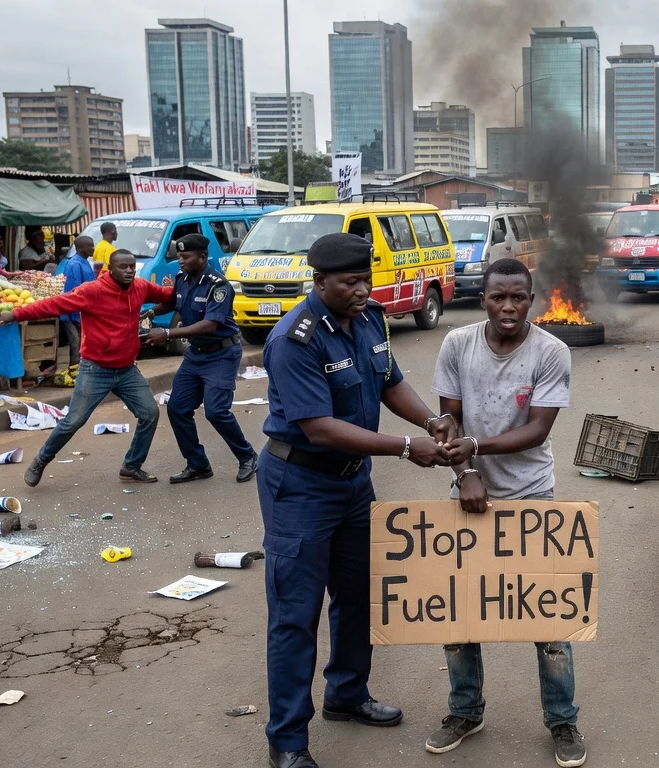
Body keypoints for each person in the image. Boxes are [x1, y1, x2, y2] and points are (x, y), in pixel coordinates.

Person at [256, 233, 456, 768]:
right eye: (349, 283)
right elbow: (319, 429)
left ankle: (346, 693)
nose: (363, 290)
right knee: (296, 614)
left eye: (366, 279)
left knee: (358, 594)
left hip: (353, 482)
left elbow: (390, 382)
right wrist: (405, 447)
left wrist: (429, 420)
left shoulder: (369, 319)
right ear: (319, 282)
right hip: (300, 483)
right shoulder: (294, 339)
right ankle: (288, 742)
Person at [425, 257, 584, 768]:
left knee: (548, 618)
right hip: (467, 495)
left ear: (532, 300)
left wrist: (475, 447)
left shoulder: (551, 351)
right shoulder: (457, 345)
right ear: (483, 297)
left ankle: (563, 720)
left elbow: (538, 430)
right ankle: (464, 711)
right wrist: (464, 473)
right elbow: (447, 422)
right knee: (458, 613)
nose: (508, 306)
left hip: (532, 495)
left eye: (518, 297)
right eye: (499, 297)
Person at [0, 251, 172, 486]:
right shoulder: (93, 291)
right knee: (74, 420)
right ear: (111, 268)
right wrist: (15, 314)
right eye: (123, 267)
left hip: (126, 369)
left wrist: (182, 287)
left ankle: (131, 467)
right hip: (95, 369)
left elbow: (168, 295)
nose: (129, 271)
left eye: (132, 266)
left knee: (150, 413)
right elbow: (54, 305)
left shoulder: (140, 287)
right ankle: (40, 460)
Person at [145, 233, 258, 484]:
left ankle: (248, 456)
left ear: (203, 257)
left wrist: (167, 333)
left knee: (216, 411)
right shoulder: (182, 279)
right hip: (195, 355)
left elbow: (210, 325)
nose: (180, 261)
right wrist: (151, 311)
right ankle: (197, 464)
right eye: (179, 256)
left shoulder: (218, 285)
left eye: (186, 257)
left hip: (221, 354)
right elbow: (174, 302)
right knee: (177, 409)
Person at [57, 235, 96, 375]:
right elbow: (74, 292)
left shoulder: (85, 263)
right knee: (75, 343)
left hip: (83, 312)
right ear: (81, 248)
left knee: (82, 343)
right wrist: (76, 316)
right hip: (72, 313)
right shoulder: (74, 264)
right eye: (90, 246)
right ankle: (74, 372)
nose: (93, 248)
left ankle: (80, 371)